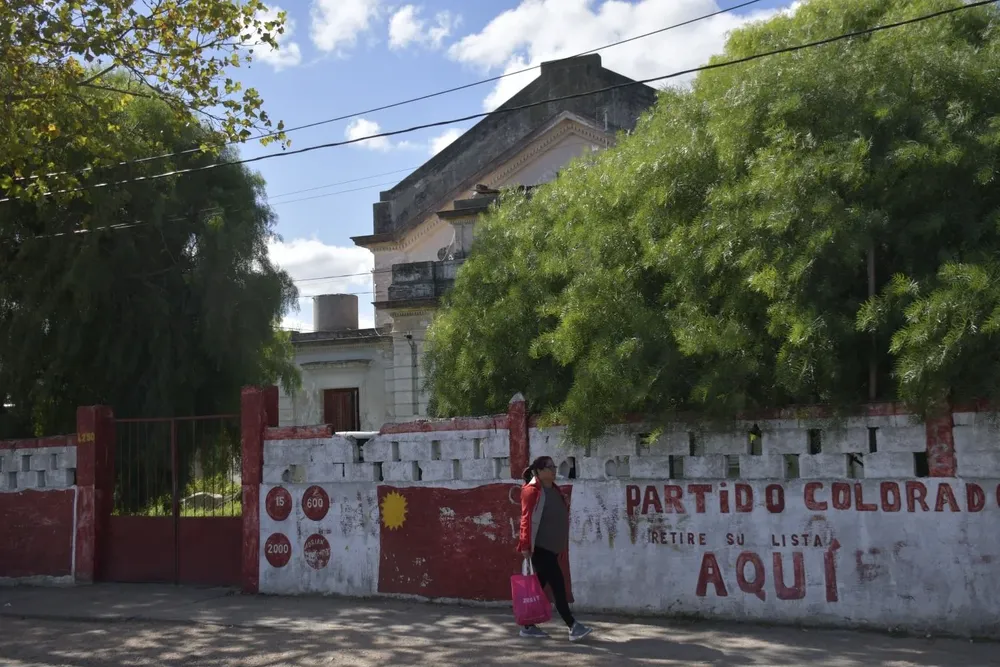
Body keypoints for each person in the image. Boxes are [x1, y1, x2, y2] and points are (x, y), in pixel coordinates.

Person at [516, 455, 593, 641]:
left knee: (538, 587)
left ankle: (527, 626)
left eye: (554, 466)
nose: (553, 470)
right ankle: (572, 625)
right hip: (541, 548)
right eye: (549, 467)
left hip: (552, 548)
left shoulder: (554, 490)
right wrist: (525, 545)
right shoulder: (531, 491)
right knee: (558, 585)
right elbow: (526, 520)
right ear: (539, 472)